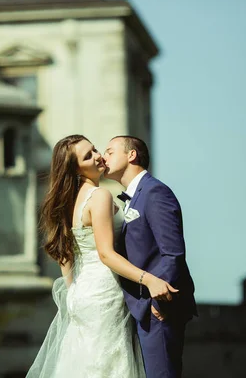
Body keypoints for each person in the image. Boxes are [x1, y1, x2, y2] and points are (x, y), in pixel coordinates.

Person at [27, 134, 177, 378]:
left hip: (81, 291)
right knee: (108, 365)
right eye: (88, 156)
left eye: (95, 149)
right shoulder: (99, 196)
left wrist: (73, 290)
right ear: (76, 169)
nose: (98, 156)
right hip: (103, 290)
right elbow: (106, 255)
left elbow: (65, 256)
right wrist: (148, 279)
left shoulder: (69, 202)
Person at [103, 135, 198, 378]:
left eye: (110, 151)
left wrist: (159, 300)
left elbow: (173, 253)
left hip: (159, 308)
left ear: (131, 155)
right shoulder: (135, 195)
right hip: (141, 307)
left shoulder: (155, 192)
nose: (104, 157)